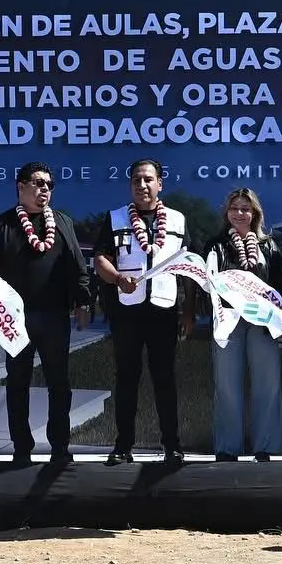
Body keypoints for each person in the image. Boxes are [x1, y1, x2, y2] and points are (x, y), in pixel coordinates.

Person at [0, 162, 91, 467]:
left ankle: (60, 448)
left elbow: (78, 265)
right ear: (21, 186)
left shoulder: (62, 221)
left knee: (59, 384)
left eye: (49, 185)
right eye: (38, 183)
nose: (45, 189)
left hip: (55, 316)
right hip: (15, 320)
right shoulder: (1, 224)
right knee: (17, 384)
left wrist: (83, 303)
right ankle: (21, 449)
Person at [92, 159, 195, 465]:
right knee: (126, 378)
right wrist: (116, 278)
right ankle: (123, 446)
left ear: (160, 184)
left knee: (165, 379)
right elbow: (100, 258)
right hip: (128, 311)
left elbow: (188, 268)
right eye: (136, 180)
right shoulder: (115, 217)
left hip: (164, 310)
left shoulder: (177, 219)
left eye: (148, 179)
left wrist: (188, 310)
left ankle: (172, 446)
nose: (142, 185)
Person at [203, 187, 282, 462]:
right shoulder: (215, 245)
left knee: (267, 383)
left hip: (262, 324)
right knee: (227, 386)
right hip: (228, 322)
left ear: (255, 214)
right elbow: (207, 284)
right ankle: (227, 448)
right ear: (226, 213)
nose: (239, 213)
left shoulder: (269, 246)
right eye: (234, 208)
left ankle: (265, 447)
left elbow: (281, 285)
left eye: (245, 209)